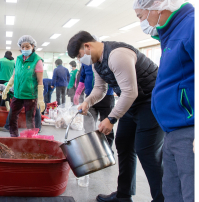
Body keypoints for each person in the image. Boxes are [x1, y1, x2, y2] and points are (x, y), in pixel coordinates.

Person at [67, 31, 164, 202]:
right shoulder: (96, 62)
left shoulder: (117, 55)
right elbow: (100, 89)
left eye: (79, 56)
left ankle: (162, 198)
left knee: (147, 151)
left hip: (151, 101)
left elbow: (129, 91)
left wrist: (111, 118)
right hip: (133, 102)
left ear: (87, 46)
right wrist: (87, 102)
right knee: (124, 144)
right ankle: (123, 195)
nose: (79, 60)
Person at [134, 1, 194, 201]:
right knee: (171, 193)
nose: (143, 22)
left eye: (141, 16)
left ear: (158, 5)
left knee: (190, 193)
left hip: (189, 130)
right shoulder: (171, 35)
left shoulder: (191, 27)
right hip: (172, 130)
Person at [2, 35, 45, 137]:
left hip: (30, 96)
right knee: (12, 117)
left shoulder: (37, 61)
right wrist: (7, 88)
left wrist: (41, 99)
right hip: (17, 94)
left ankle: (31, 141)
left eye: (27, 46)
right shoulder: (18, 59)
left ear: (32, 46)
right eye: (22, 47)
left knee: (30, 120)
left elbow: (40, 81)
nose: (25, 49)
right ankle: (14, 137)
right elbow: (14, 75)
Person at [74, 63, 115, 148]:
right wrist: (78, 93)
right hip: (89, 98)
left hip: (107, 97)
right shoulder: (85, 62)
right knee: (88, 127)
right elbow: (82, 78)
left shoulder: (106, 59)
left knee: (106, 128)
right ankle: (91, 150)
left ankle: (107, 152)